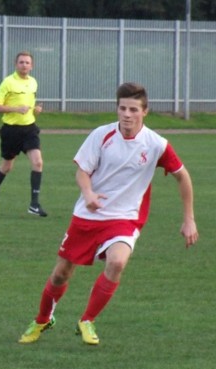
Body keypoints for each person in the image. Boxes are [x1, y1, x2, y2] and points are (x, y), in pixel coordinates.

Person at [18, 82, 198, 346]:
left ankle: (87, 320)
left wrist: (189, 219)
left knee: (117, 262)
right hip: (88, 216)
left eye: (133, 109)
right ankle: (44, 319)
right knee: (61, 273)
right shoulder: (101, 135)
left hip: (125, 217)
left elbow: (182, 176)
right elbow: (82, 171)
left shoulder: (156, 144)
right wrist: (89, 193)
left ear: (144, 111)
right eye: (122, 108)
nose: (127, 114)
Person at [0, 51, 46, 217]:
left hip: (29, 129)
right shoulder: (8, 82)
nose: (24, 65)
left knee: (38, 162)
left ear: (31, 66)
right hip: (11, 130)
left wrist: (36, 110)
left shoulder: (33, 82)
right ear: (16, 64)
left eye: (27, 62)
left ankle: (34, 204)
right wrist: (16, 109)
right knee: (7, 166)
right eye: (21, 62)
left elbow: (30, 104)